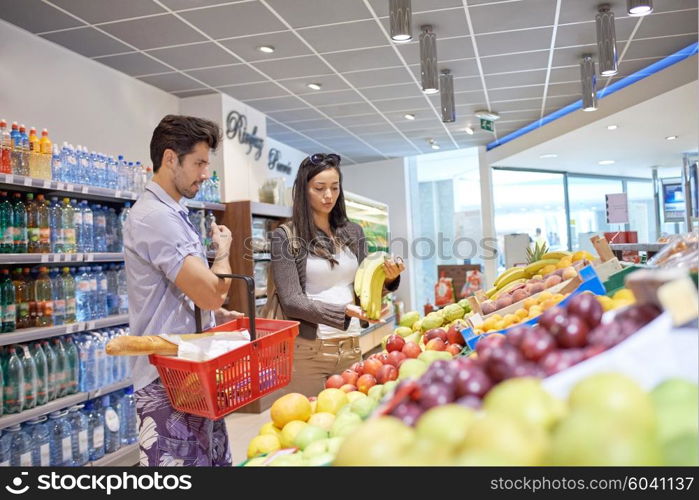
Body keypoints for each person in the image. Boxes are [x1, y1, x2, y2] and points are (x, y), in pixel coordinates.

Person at [123, 115, 241, 466]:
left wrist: (211, 312)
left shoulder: (174, 213)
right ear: (170, 158)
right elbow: (212, 292)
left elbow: (191, 294)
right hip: (166, 379)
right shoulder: (156, 217)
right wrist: (223, 252)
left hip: (189, 370)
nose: (205, 173)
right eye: (200, 163)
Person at [270, 153, 405, 397]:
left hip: (351, 344)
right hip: (306, 351)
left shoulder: (353, 231)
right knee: (308, 422)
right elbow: (291, 301)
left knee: (350, 419)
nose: (328, 195)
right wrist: (342, 312)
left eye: (334, 187)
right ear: (303, 190)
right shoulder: (285, 236)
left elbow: (365, 286)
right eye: (319, 188)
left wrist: (389, 278)